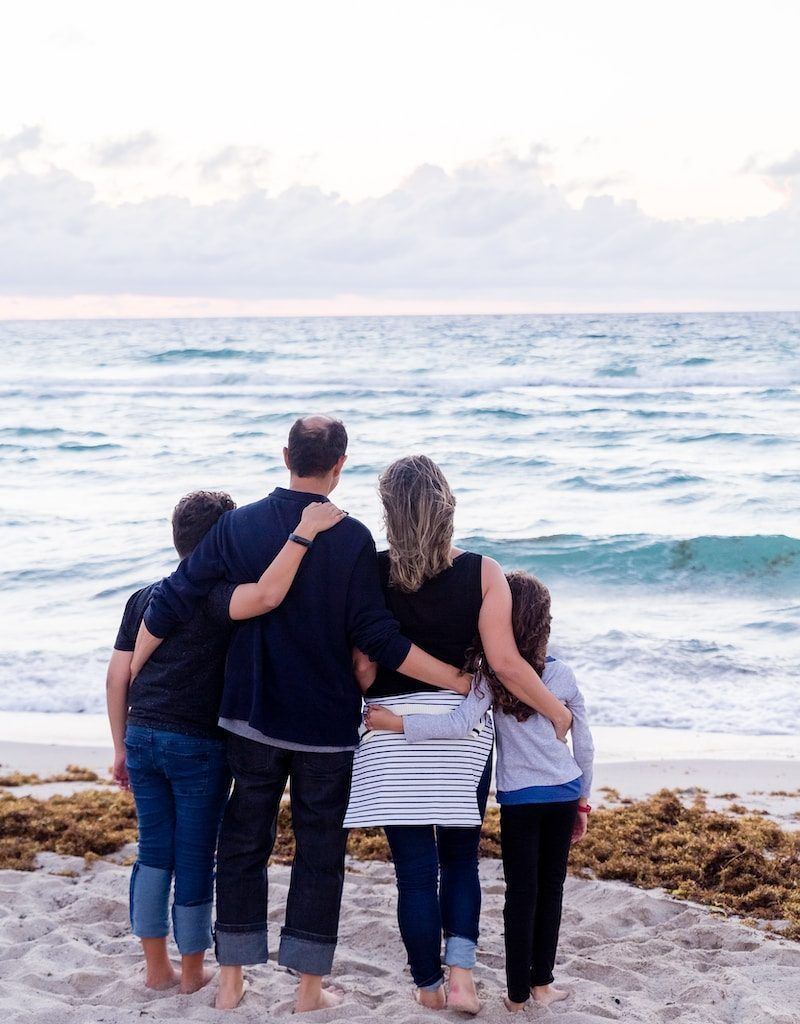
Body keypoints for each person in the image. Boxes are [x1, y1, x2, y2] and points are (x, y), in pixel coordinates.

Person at [130, 417, 470, 1014]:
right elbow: (377, 636)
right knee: (319, 853)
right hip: (325, 726)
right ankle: (308, 991)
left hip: (251, 716)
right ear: (341, 464)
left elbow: (176, 595)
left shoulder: (238, 526)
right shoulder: (354, 538)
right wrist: (458, 681)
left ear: (286, 454)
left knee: (242, 845)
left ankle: (232, 979)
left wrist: (134, 668)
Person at [343, 456, 573, 1013]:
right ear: (447, 506)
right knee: (461, 860)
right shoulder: (483, 572)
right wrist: (556, 714)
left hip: (390, 734)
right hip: (460, 734)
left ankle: (428, 987)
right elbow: (506, 663)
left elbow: (363, 672)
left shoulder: (370, 572)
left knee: (415, 874)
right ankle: (463, 976)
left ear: (389, 512)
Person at [106, 490, 345, 994]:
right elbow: (266, 595)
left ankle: (155, 970)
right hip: (196, 746)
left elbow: (117, 677)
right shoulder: (217, 598)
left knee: (153, 852)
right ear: (224, 539)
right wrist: (303, 535)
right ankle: (192, 974)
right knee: (194, 857)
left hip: (142, 736)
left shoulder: (144, 596)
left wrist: (120, 747)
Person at [367, 571, 594, 1013]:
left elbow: (457, 725)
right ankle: (542, 985)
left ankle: (514, 997)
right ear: (545, 623)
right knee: (552, 890)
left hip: (519, 801)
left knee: (520, 893)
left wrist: (396, 723)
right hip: (564, 793)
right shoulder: (561, 675)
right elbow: (584, 743)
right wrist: (583, 798)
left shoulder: (491, 677)